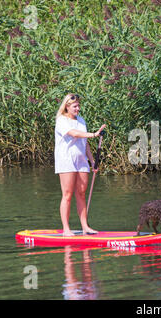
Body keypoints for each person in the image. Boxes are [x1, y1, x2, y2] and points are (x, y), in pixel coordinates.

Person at [55, 93, 106, 236]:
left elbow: (85, 143)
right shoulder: (61, 120)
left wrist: (92, 161)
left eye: (78, 105)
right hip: (66, 159)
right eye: (75, 106)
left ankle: (85, 227)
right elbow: (74, 134)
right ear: (67, 106)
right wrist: (94, 134)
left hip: (81, 160)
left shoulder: (81, 120)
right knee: (67, 194)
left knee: (81, 193)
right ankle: (66, 229)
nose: (78, 108)